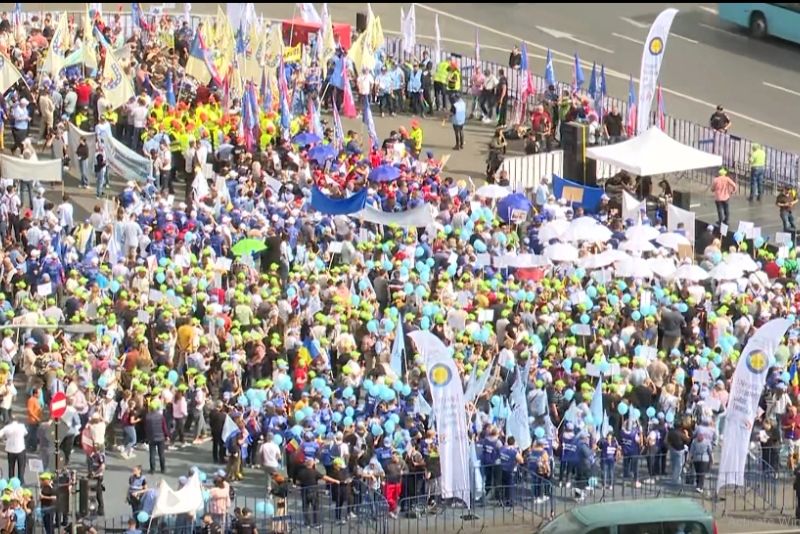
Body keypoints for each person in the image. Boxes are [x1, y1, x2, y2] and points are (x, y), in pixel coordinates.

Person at [296, 457, 340, 528]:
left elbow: (297, 482)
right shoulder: (314, 472)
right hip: (313, 491)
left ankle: (307, 523)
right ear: (312, 464)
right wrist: (335, 481)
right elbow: (325, 477)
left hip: (304, 491)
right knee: (315, 507)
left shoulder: (301, 472)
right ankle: (316, 523)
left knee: (305, 508)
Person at [0, 417, 27, 484]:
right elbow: (25, 433)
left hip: (10, 449)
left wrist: (5, 438)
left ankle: (11, 481)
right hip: (20, 448)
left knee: (11, 466)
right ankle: (21, 481)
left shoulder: (7, 427)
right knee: (21, 466)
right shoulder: (21, 426)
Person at [144, 401, 167, 474]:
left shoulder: (147, 417)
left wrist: (147, 437)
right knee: (161, 454)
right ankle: (163, 469)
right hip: (160, 437)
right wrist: (167, 435)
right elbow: (164, 427)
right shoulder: (161, 416)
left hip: (151, 437)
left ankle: (152, 469)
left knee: (152, 454)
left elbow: (146, 428)